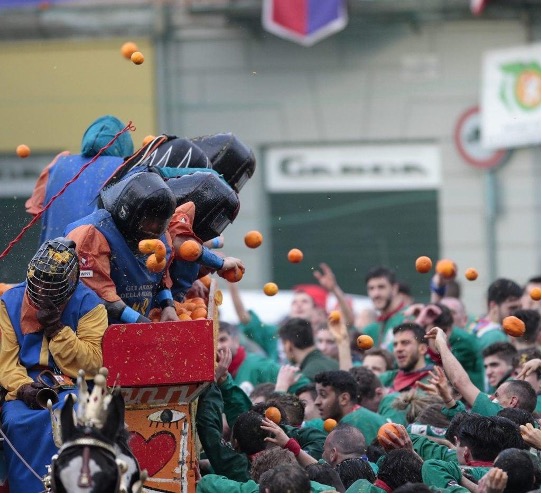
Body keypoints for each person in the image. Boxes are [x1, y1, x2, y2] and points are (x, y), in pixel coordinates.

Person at [0, 238, 108, 493]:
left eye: (50, 285)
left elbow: (93, 363)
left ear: (68, 284)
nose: (41, 291)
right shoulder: (9, 302)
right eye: (38, 282)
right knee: (15, 421)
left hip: (74, 386)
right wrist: (23, 388)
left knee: (75, 416)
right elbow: (6, 361)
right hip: (24, 387)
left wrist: (57, 330)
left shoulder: (90, 305)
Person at [25, 115, 134, 245]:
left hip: (50, 254)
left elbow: (35, 209)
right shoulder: (127, 168)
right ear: (125, 146)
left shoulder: (58, 164)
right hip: (98, 255)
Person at [425, 326, 537, 416]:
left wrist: (441, 344)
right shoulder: (529, 424)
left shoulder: (500, 413)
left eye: (494, 365)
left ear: (513, 402)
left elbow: (460, 382)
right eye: (486, 367)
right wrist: (446, 397)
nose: (488, 372)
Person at [218, 321, 310, 396]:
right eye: (213, 341)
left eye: (222, 340)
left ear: (236, 341)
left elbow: (302, 383)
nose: (218, 346)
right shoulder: (214, 374)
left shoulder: (258, 365)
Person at [314, 370, 386, 444]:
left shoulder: (352, 424)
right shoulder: (360, 416)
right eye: (317, 395)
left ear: (344, 399)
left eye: (323, 395)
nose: (316, 402)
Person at [358, 266, 408, 351]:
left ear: (394, 289)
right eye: (371, 288)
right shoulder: (373, 328)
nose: (376, 294)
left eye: (381, 287)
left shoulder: (408, 317)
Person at [467, 278, 523, 351]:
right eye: (512, 308)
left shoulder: (475, 325)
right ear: (493, 306)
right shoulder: (496, 336)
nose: (518, 313)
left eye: (520, 308)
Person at [378, 323, 434, 393]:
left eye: (405, 343)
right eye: (395, 345)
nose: (398, 349)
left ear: (422, 349)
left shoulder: (434, 380)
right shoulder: (386, 378)